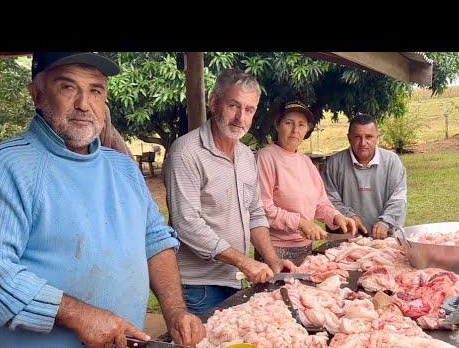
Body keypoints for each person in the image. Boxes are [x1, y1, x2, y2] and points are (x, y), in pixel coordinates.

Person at [0, 52, 205, 348]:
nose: (84, 104)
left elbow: (156, 241)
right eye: (67, 87)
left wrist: (176, 311)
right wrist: (76, 314)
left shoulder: (122, 167)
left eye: (96, 90)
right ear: (37, 94)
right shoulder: (7, 165)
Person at [164, 69, 295, 316]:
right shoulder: (186, 152)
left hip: (234, 279)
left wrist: (273, 260)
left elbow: (255, 213)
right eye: (233, 106)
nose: (240, 118)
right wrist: (244, 261)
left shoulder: (246, 155)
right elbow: (187, 224)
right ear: (214, 102)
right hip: (198, 285)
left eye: (249, 110)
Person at [255, 100, 357, 265]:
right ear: (277, 125)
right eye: (289, 123)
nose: (295, 130)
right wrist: (300, 222)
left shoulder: (306, 162)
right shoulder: (265, 158)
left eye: (301, 125)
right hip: (273, 250)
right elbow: (262, 209)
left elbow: (320, 203)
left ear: (307, 130)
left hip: (306, 248)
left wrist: (337, 217)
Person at [322, 114, 407, 239]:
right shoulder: (334, 163)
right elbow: (328, 199)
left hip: (385, 239)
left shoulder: (392, 161)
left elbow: (398, 199)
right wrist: (348, 216)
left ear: (377, 138)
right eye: (357, 137)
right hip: (344, 239)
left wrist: (385, 222)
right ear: (349, 138)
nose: (363, 143)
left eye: (369, 137)